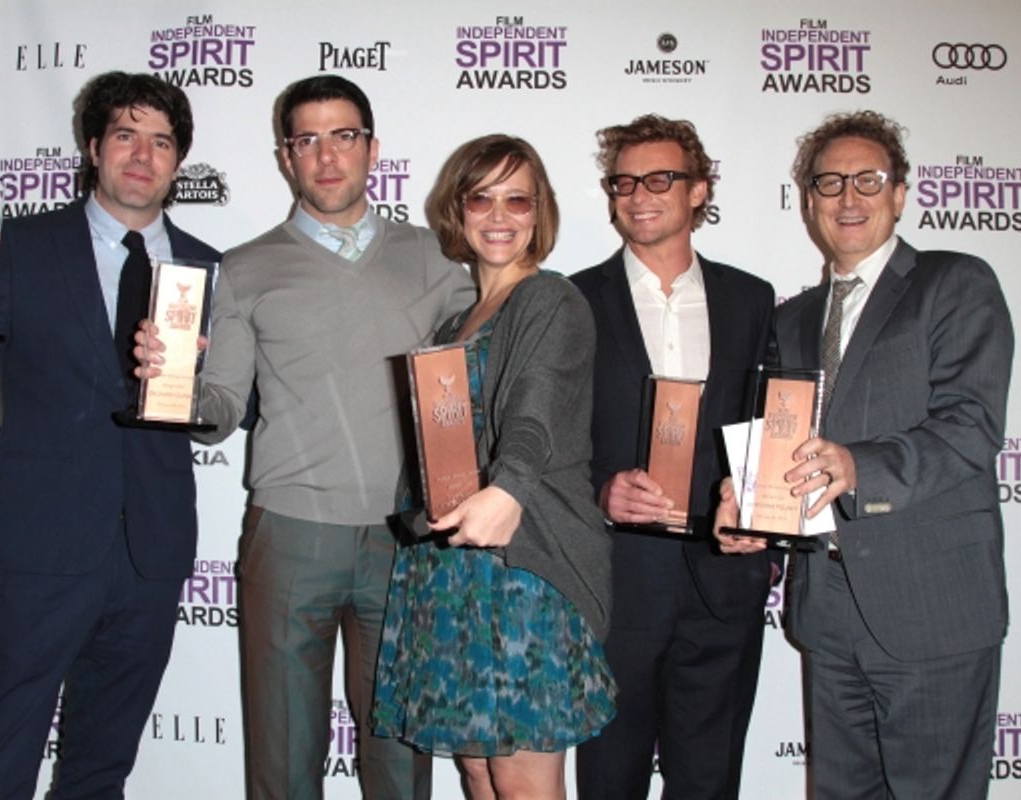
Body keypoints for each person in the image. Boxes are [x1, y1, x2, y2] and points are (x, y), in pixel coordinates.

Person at [145, 75, 474, 799]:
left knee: (399, 758)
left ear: (373, 149)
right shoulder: (244, 267)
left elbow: (490, 363)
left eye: (345, 136)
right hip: (289, 534)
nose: (328, 157)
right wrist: (168, 386)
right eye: (308, 140)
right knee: (284, 758)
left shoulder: (436, 259)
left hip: (406, 538)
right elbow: (224, 405)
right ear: (285, 157)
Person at [0, 72, 218, 799]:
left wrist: (204, 385)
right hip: (37, 552)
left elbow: (235, 404)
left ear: (178, 161)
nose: (142, 154)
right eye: (124, 135)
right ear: (93, 147)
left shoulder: (208, 268)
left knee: (101, 770)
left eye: (161, 141)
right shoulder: (10, 246)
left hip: (151, 550)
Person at [715, 110, 1013, 799]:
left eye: (868, 181)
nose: (848, 198)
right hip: (830, 610)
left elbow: (969, 427)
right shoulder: (791, 318)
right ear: (809, 202)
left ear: (901, 194)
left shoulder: (954, 284)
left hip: (933, 603)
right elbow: (786, 445)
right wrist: (748, 506)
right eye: (830, 184)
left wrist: (860, 466)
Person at [371, 134, 616, 800]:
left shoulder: (550, 300)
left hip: (523, 567)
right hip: (453, 570)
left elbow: (534, 413)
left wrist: (508, 490)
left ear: (540, 213)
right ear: (458, 209)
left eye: (518, 199)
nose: (500, 215)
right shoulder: (457, 319)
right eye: (482, 198)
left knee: (520, 775)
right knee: (478, 768)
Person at [571, 115, 776, 799]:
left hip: (725, 582)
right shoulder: (572, 300)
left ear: (699, 190)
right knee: (609, 781)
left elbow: (768, 424)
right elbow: (547, 441)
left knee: (711, 783)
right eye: (623, 181)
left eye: (660, 178)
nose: (638, 194)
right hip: (617, 583)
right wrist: (602, 491)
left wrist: (759, 506)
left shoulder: (752, 299)